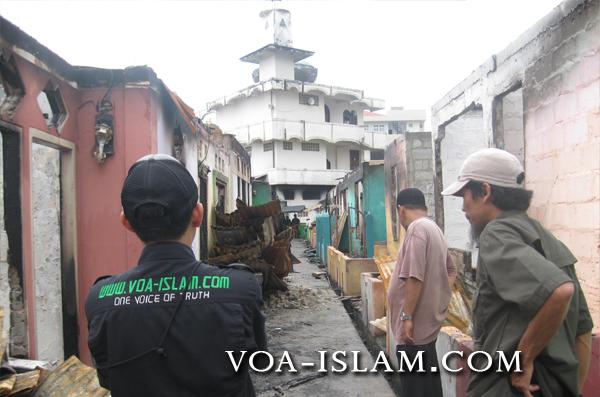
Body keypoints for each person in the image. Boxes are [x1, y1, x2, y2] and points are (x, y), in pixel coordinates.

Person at [85, 154, 266, 397]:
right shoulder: (240, 288)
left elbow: (108, 379)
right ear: (198, 215)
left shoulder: (100, 300)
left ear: (126, 222)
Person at [442, 148, 593, 397]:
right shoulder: (550, 241)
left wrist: (523, 359)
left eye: (464, 196)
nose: (462, 208)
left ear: (485, 191)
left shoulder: (496, 234)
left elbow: (559, 290)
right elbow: (582, 331)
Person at [387, 188, 457, 397]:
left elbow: (414, 276)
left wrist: (407, 316)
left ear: (401, 210)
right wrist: (438, 298)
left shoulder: (417, 229)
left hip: (413, 333)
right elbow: (451, 270)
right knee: (429, 388)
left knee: (415, 389)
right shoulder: (434, 228)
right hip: (426, 329)